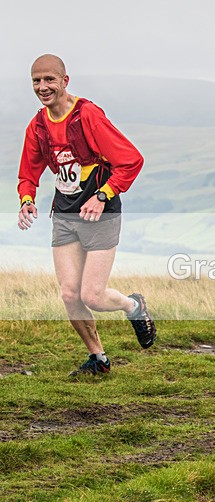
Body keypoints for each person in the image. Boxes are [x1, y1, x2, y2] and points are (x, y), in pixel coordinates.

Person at [17, 54, 156, 377]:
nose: (43, 87)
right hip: (65, 213)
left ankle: (133, 306)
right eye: (36, 81)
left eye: (49, 79)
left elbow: (131, 160)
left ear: (65, 81)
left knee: (92, 295)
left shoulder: (87, 115)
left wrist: (102, 194)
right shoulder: (38, 125)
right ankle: (99, 359)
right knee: (69, 293)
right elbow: (28, 172)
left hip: (100, 213)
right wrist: (27, 199)